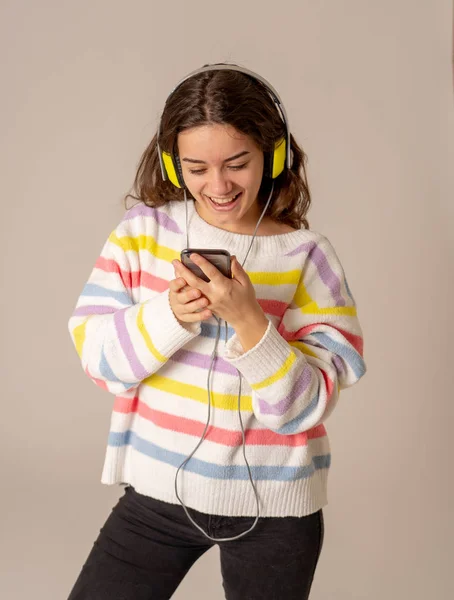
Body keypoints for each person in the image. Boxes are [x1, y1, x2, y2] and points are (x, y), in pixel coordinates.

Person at [67, 63, 367, 600]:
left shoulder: (308, 256)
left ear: (273, 155)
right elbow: (101, 363)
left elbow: (302, 410)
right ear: (172, 162)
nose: (219, 185)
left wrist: (251, 320)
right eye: (197, 167)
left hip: (276, 509)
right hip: (157, 495)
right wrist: (171, 316)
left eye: (237, 163)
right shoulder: (140, 236)